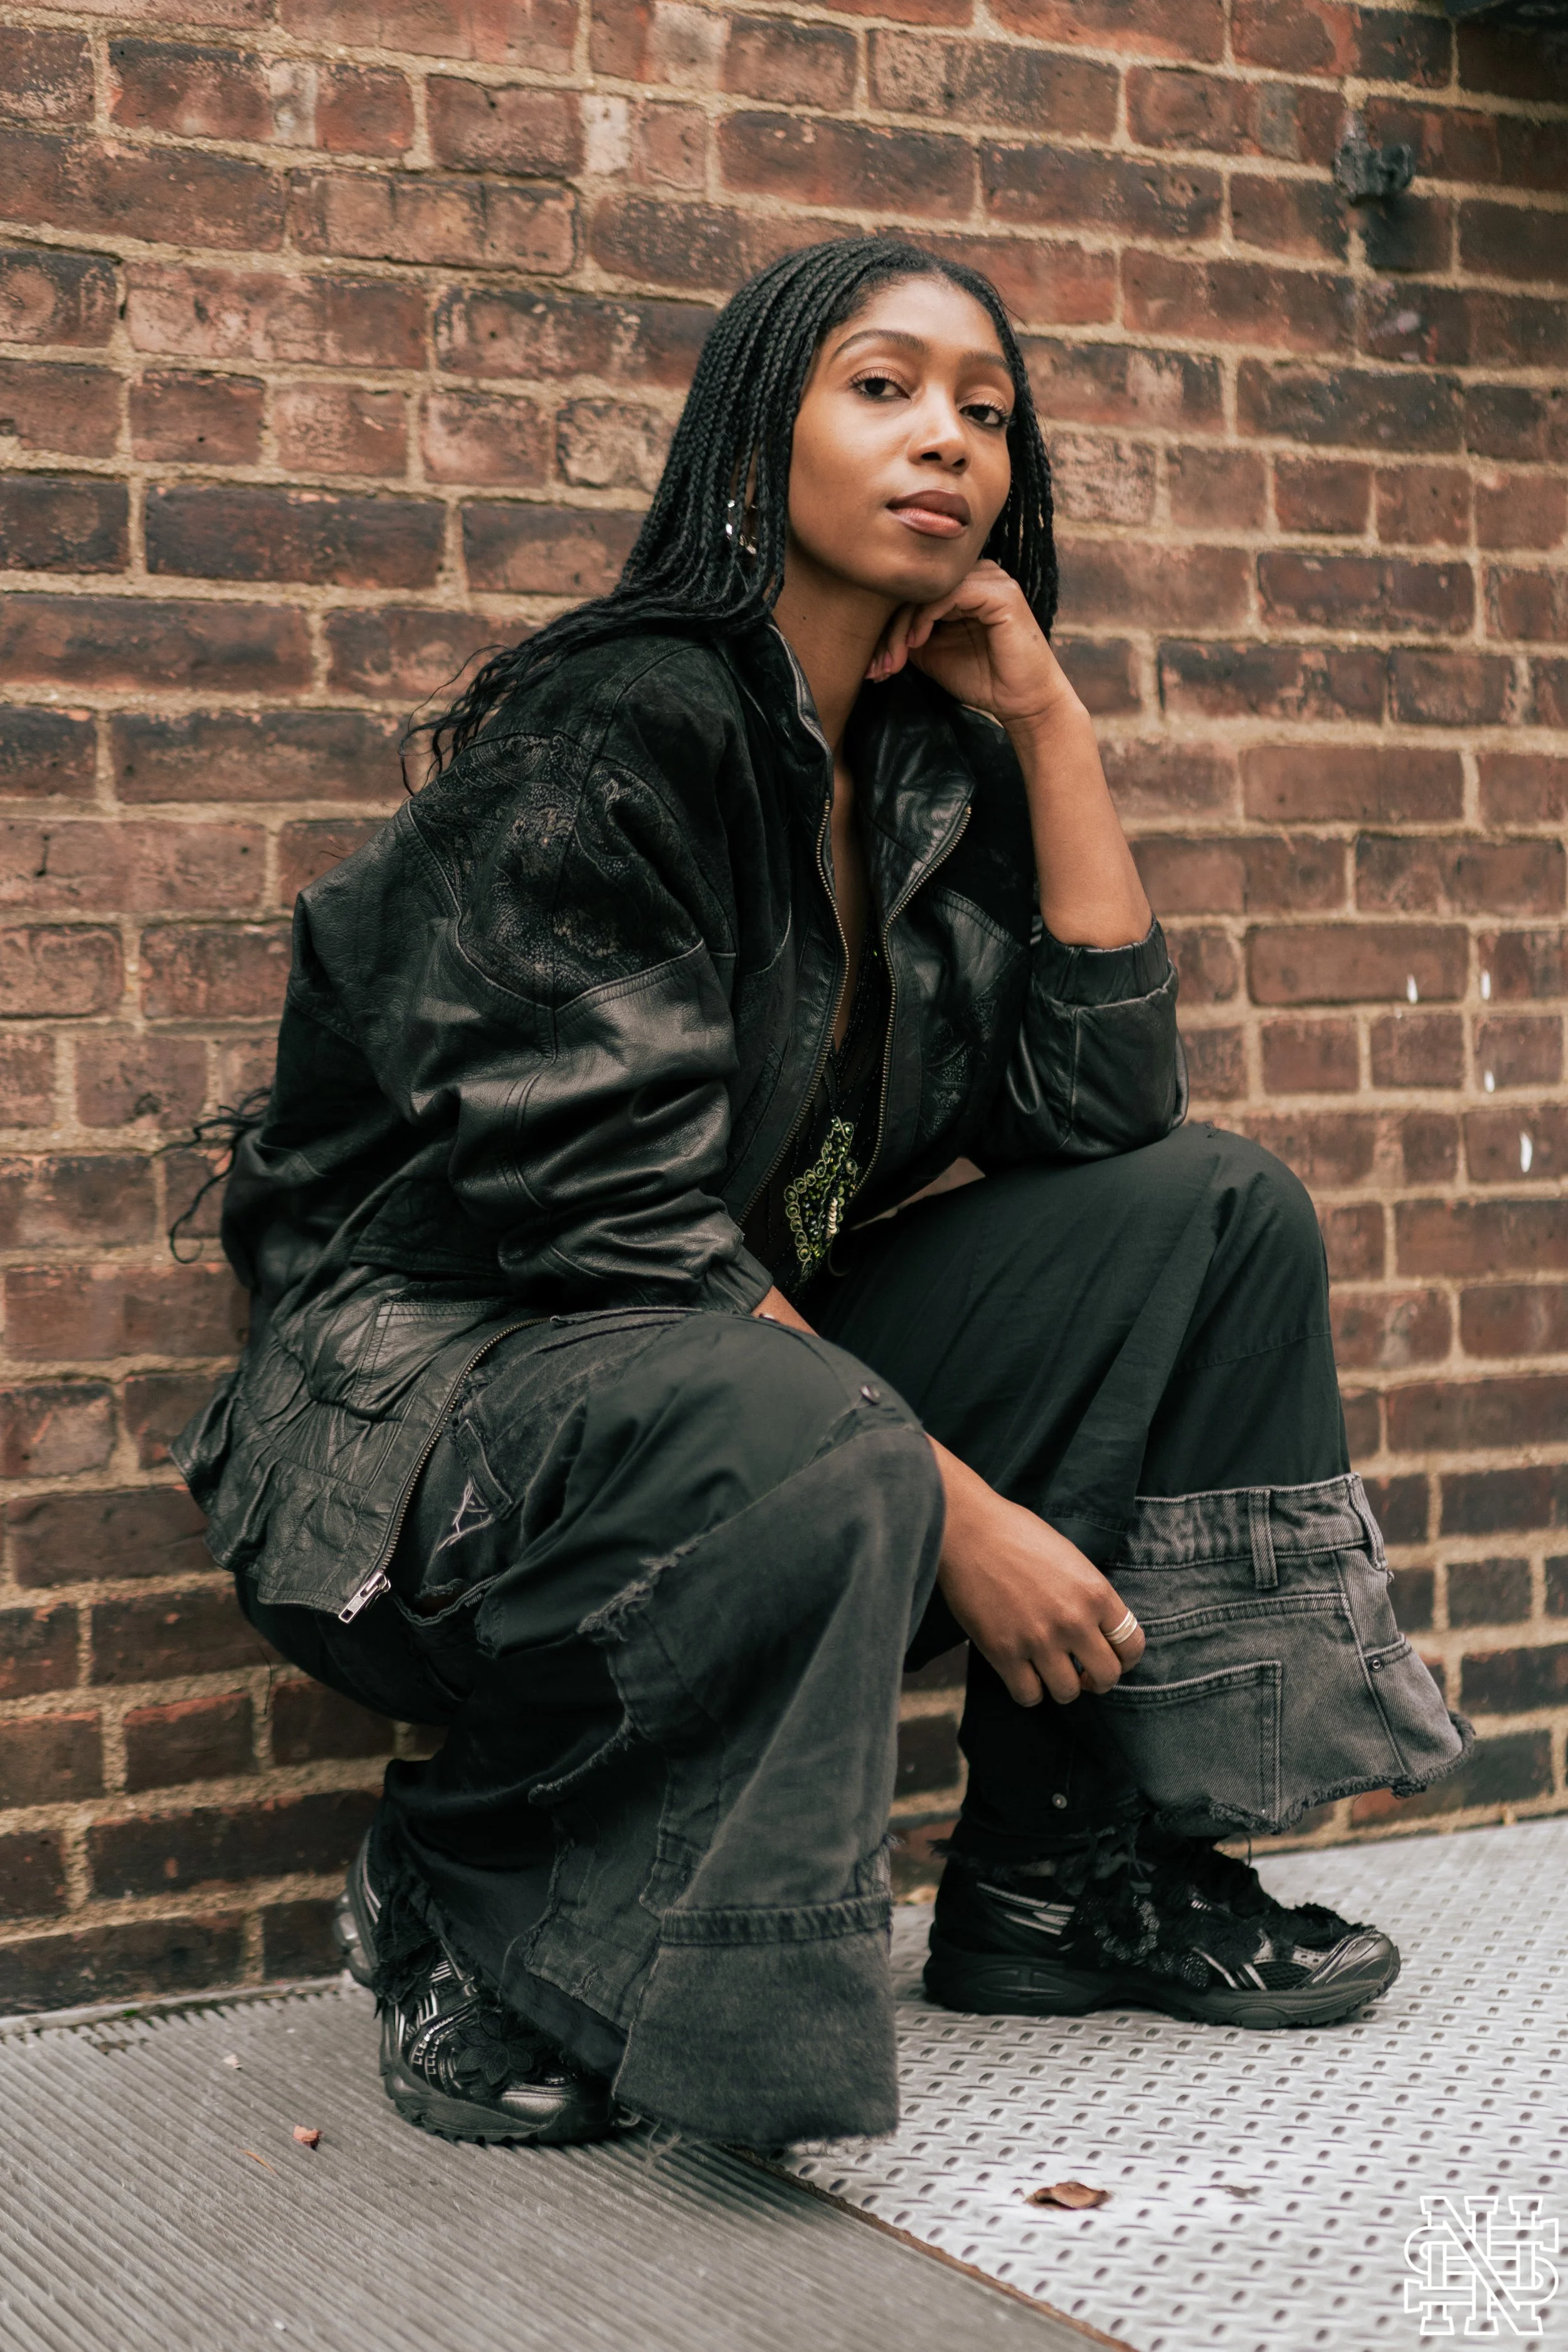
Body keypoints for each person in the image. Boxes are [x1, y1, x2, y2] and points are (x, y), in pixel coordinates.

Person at [173, 235, 1471, 2153]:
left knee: (1210, 1211)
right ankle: (467, 1879)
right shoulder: (613, 728)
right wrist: (960, 1511)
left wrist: (1048, 721)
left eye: (985, 407)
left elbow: (1097, 1113)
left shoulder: (928, 760)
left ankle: (1063, 1870)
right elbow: (608, 1226)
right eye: (880, 386)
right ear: (752, 434)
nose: (943, 434)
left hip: (728, 1381)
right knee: (804, 1416)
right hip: (425, 1425)